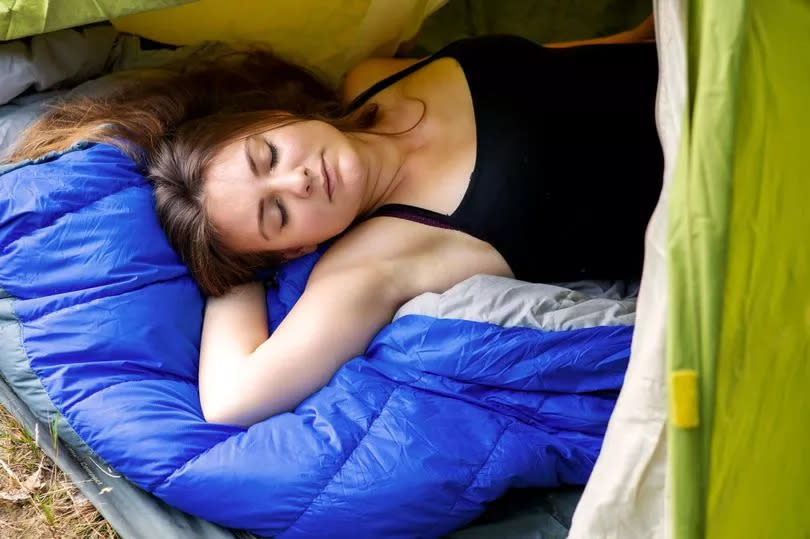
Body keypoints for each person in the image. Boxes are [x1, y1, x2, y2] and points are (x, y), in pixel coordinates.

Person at [6, 16, 661, 427]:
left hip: (706, 74)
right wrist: (232, 270)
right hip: (731, 190)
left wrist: (648, 36)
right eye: (276, 213)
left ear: (272, 119)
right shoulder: (382, 259)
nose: (298, 180)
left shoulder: (374, 76)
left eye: (268, 156)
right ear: (300, 245)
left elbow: (566, 62)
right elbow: (230, 397)